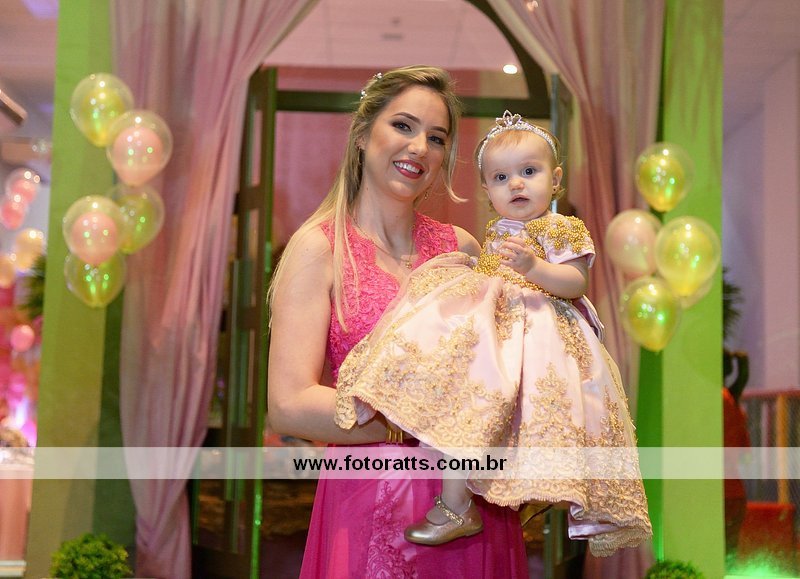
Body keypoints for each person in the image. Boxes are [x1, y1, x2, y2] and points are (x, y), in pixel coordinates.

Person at [335, 111, 652, 557]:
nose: (516, 184)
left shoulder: (559, 227)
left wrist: (533, 267)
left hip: (542, 333)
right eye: (501, 178)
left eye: (529, 172)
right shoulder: (495, 233)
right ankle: (456, 504)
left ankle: (515, 490)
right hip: (499, 332)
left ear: (555, 180)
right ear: (487, 190)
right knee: (465, 402)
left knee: (536, 416)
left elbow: (575, 282)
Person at [267, 68, 528, 578]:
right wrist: (410, 421)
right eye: (403, 126)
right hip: (371, 501)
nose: (419, 148)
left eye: (437, 137)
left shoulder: (462, 250)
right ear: (363, 135)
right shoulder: (319, 249)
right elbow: (288, 405)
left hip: (475, 504)